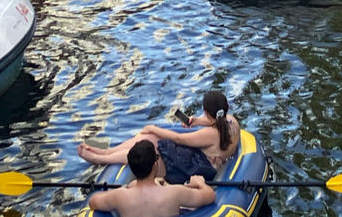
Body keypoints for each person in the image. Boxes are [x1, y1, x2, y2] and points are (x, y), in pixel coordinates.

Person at [78, 91, 241, 183]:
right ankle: (107, 152)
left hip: (198, 167)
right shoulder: (232, 122)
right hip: (203, 160)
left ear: (206, 111)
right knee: (150, 138)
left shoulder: (210, 134)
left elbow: (179, 139)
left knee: (149, 149)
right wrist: (196, 121)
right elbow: (215, 122)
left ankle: (103, 159)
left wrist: (155, 128)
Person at [86, 141, 215, 217]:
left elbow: (93, 202)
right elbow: (210, 196)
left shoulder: (120, 196)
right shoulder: (175, 192)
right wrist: (199, 183)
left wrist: (126, 188)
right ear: (155, 165)